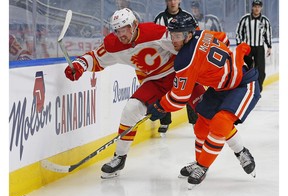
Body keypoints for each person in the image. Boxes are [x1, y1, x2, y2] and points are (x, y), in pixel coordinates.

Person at [64, 8, 202, 179]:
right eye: (117, 30)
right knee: (131, 109)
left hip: (179, 74)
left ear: (135, 25)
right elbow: (96, 58)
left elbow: (186, 44)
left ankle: (204, 162)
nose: (121, 34)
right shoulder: (113, 44)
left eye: (125, 29)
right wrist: (79, 66)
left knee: (204, 113)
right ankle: (119, 157)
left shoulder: (154, 32)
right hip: (154, 82)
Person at [147, 14, 261, 187]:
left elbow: (179, 98)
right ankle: (206, 159)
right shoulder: (202, 34)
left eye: (178, 36)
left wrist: (160, 106)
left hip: (244, 84)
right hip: (222, 87)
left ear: (189, 35)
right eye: (172, 35)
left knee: (220, 123)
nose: (174, 40)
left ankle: (205, 165)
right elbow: (223, 38)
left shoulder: (185, 59)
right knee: (201, 125)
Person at [154, 0, 202, 134]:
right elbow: (154, 41)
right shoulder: (159, 19)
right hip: (166, 62)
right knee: (163, 88)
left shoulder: (188, 17)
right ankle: (164, 121)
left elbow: (196, 37)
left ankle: (195, 121)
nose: (172, 2)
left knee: (189, 88)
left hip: (185, 60)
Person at [235, 0, 272, 92]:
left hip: (259, 48)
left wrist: (269, 47)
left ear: (261, 8)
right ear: (252, 7)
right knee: (246, 68)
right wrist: (240, 45)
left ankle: (258, 89)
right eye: (255, 6)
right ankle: (245, 88)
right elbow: (238, 32)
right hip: (248, 48)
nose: (257, 8)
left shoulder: (265, 21)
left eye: (258, 7)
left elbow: (267, 34)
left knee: (261, 70)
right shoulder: (245, 19)